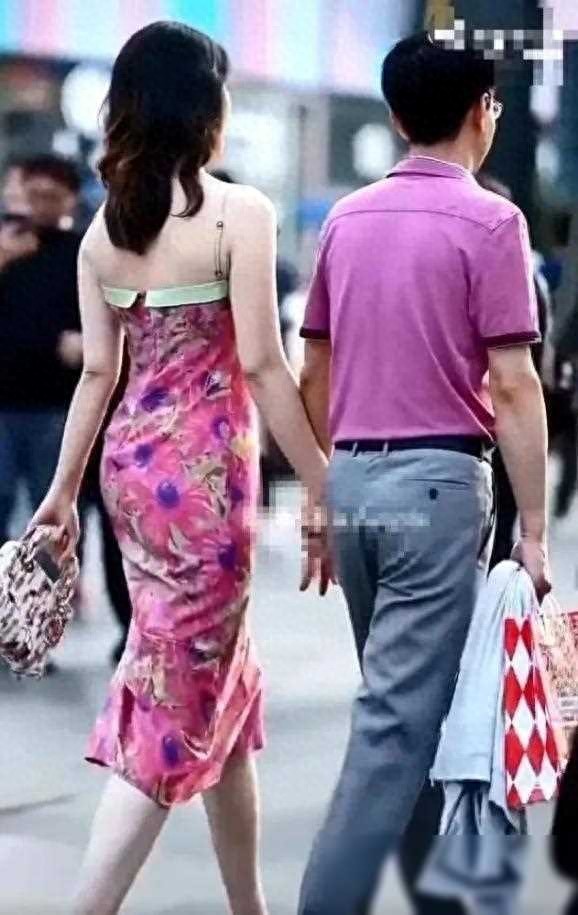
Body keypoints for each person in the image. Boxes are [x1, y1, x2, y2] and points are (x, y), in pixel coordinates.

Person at [30, 22, 328, 915]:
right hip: (207, 482)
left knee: (218, 686)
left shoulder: (104, 233)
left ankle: (250, 907)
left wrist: (62, 493)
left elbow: (99, 374)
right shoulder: (240, 214)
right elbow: (265, 366)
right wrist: (321, 480)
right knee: (175, 707)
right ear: (206, 107)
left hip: (132, 472)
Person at [297, 31, 551, 915]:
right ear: (483, 113)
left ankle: (444, 899)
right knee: (395, 726)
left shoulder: (346, 218)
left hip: (357, 486)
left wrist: (322, 491)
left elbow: (314, 370)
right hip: (438, 489)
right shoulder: (493, 222)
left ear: (398, 118)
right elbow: (513, 384)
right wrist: (535, 531)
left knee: (411, 710)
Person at [0, 155, 83, 546]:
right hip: (3, 401)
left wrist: (83, 343)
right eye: (34, 195)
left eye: (52, 197)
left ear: (70, 199)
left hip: (56, 404)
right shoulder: (6, 244)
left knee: (51, 514)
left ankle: (53, 582)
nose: (42, 205)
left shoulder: (80, 253)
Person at [474, 174, 553, 568]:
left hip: (476, 428)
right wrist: (535, 533)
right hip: (504, 425)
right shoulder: (527, 281)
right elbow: (526, 372)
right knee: (501, 526)